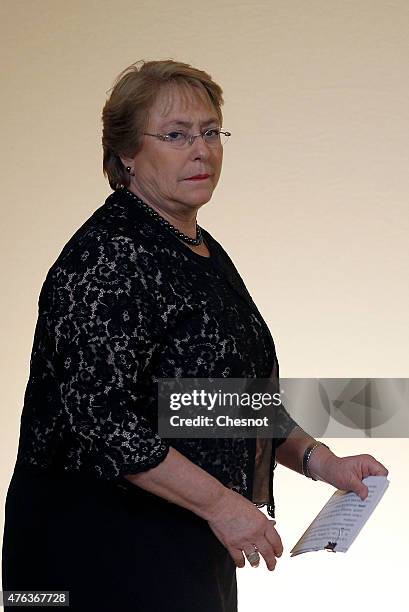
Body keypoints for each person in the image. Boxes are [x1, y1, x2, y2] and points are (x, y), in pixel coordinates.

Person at [2, 60, 388, 612]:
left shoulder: (197, 247)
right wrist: (224, 506)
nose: (201, 149)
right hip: (92, 548)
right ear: (127, 154)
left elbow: (205, 405)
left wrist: (323, 462)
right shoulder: (107, 254)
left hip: (185, 532)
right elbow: (104, 421)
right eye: (176, 135)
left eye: (210, 131)